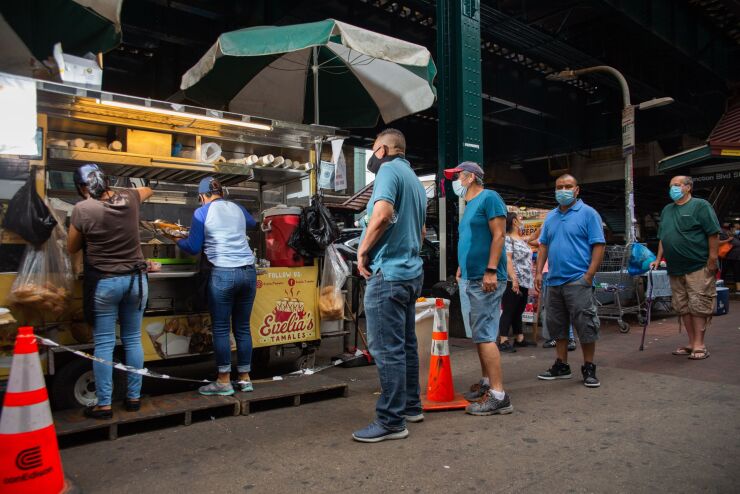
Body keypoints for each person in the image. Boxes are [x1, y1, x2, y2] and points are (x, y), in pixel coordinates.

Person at [353, 128, 427, 443]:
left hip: (389, 272)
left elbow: (382, 215)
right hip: (411, 271)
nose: (372, 156)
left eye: (373, 150)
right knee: (406, 344)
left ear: (383, 149)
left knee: (387, 348)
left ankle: (391, 420)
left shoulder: (387, 172)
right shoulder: (415, 181)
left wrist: (362, 250)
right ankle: (411, 405)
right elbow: (421, 232)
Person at [68, 164, 152, 419]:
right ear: (106, 182)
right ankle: (134, 398)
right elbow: (147, 190)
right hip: (137, 281)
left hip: (106, 283)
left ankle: (104, 403)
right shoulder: (129, 198)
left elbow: (72, 247)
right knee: (133, 340)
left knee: (104, 342)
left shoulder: (82, 209)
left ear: (83, 188)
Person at [177, 177, 258, 395]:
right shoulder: (238, 208)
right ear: (221, 192)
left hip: (223, 272)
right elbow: (253, 224)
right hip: (248, 273)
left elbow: (193, 247)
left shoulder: (201, 213)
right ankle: (244, 378)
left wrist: (177, 238)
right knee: (242, 327)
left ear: (202, 196)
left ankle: (223, 381)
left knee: (222, 328)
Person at [445, 162, 512, 416]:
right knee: (479, 334)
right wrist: (462, 267)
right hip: (471, 277)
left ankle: (498, 395)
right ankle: (487, 383)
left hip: (485, 278)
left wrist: (492, 269)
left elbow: (498, 235)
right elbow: (472, 239)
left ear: (471, 177)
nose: (456, 182)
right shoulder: (470, 205)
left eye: (458, 177)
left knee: (484, 335)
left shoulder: (489, 198)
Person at [535, 174, 605, 387]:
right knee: (557, 326)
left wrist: (588, 276)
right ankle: (561, 365)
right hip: (554, 281)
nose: (562, 190)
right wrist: (539, 272)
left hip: (578, 280)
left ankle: (589, 367)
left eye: (567, 186)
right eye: (559, 187)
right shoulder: (551, 217)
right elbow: (544, 245)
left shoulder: (588, 214)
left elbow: (599, 245)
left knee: (585, 325)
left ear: (577, 190)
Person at [650, 176, 720, 360]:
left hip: (698, 265)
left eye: (677, 185)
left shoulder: (700, 206)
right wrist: (658, 259)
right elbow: (663, 237)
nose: (672, 188)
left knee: (699, 304)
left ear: (688, 187)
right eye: (671, 185)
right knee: (683, 306)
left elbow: (713, 233)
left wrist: (712, 259)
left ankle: (700, 344)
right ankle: (691, 342)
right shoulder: (667, 210)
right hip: (675, 267)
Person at [498, 212, 537, 352]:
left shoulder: (520, 239)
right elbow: (508, 259)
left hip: (525, 280)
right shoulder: (508, 239)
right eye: (519, 218)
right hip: (513, 279)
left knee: (518, 309)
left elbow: (535, 238)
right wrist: (514, 279)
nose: (522, 220)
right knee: (509, 309)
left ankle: (519, 337)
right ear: (514, 221)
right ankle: (503, 339)